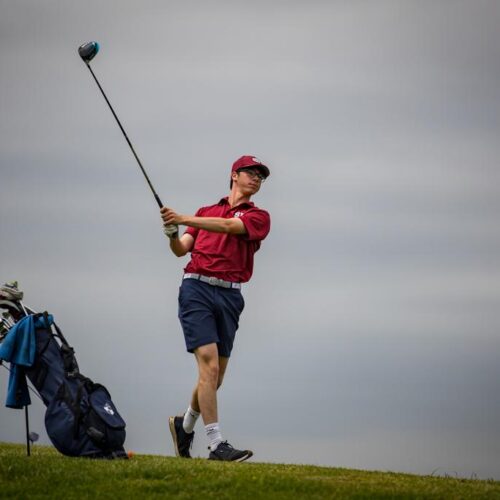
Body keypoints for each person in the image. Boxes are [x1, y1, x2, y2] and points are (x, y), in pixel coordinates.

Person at [160, 155, 271, 462]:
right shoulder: (204, 211)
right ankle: (216, 444)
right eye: (251, 173)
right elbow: (181, 250)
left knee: (215, 378)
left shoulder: (258, 217)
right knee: (208, 368)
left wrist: (181, 218)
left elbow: (226, 226)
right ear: (234, 175)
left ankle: (184, 426)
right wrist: (172, 234)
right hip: (196, 289)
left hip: (230, 297)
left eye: (261, 176)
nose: (257, 179)